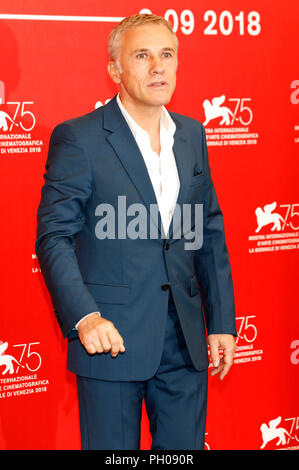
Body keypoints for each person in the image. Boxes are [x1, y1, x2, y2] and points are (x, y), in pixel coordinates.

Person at [35, 13, 237, 450]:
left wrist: (221, 321)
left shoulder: (192, 135)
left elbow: (207, 230)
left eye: (167, 55)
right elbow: (54, 237)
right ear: (115, 70)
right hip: (111, 340)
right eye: (142, 56)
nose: (157, 66)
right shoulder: (79, 138)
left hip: (185, 343)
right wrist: (85, 317)